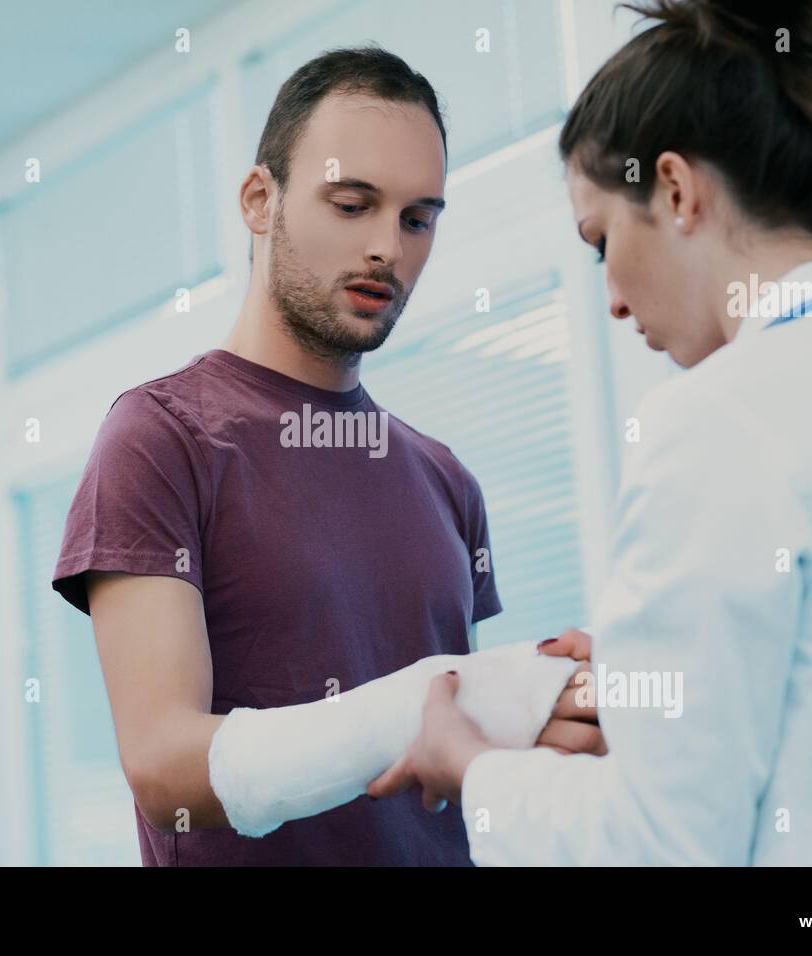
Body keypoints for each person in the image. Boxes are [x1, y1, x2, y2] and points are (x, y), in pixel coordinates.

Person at [370, 0, 812, 865]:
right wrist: (651, 686)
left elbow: (659, 846)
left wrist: (470, 768)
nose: (613, 298)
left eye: (600, 241)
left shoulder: (718, 421)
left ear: (674, 189)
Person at [51, 47, 598, 867]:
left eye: (418, 219)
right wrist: (428, 704)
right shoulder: (160, 440)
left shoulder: (445, 478)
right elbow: (162, 769)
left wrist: (559, 707)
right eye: (352, 204)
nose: (388, 248)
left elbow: (444, 763)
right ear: (259, 200)